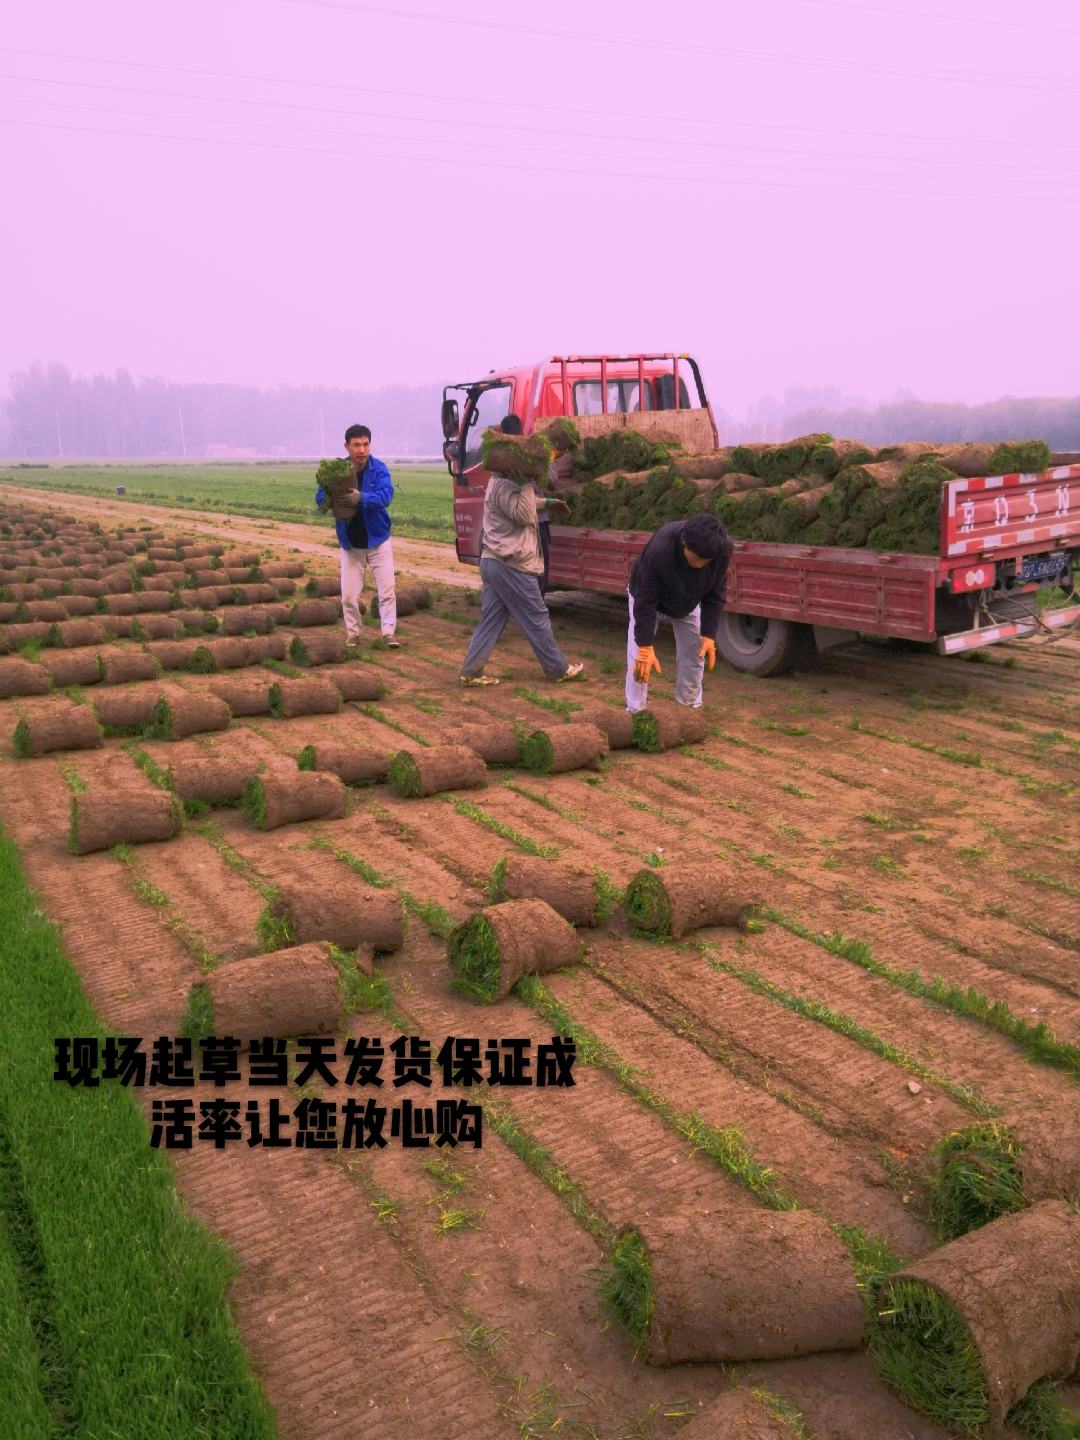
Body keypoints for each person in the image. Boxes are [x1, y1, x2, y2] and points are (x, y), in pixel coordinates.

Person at [459, 415, 585, 687]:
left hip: (494, 560)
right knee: (537, 617)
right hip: (511, 564)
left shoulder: (499, 482)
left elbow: (524, 506)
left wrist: (547, 502)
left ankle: (471, 670)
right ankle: (557, 669)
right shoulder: (507, 484)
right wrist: (528, 484)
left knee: (492, 619)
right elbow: (525, 515)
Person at [626, 511, 733, 712]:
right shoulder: (661, 548)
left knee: (696, 651)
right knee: (640, 657)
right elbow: (644, 599)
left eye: (706, 560)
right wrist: (645, 647)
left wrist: (709, 634)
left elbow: (716, 592)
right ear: (684, 542)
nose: (700, 564)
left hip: (686, 602)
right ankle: (636, 711)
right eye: (696, 558)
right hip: (647, 596)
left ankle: (687, 709)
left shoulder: (722, 548)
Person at [316, 423, 399, 649]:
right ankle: (354, 633)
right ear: (347, 446)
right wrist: (328, 499)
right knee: (349, 597)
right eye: (356, 445)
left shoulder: (378, 468)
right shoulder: (336, 469)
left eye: (365, 444)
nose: (362, 450)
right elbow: (320, 494)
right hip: (351, 543)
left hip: (378, 540)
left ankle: (388, 634)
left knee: (387, 591)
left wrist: (362, 497)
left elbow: (387, 494)